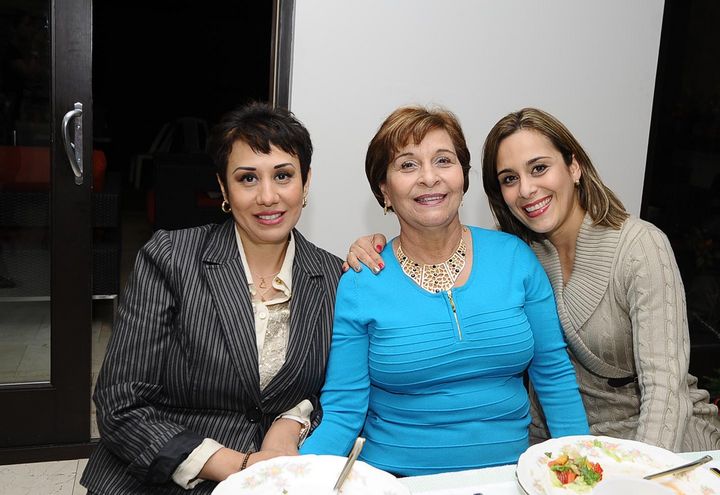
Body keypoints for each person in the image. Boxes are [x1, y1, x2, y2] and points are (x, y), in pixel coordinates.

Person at [348, 107, 720, 452]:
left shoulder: (639, 247)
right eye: (510, 178)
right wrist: (374, 247)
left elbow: (665, 389)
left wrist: (640, 477)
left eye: (539, 168)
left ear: (574, 166)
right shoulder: (520, 253)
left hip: (657, 443)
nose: (526, 189)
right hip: (562, 443)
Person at [300, 106, 589, 477]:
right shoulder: (362, 279)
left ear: (462, 178)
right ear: (384, 190)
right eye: (408, 165)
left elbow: (554, 376)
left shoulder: (516, 258)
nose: (429, 177)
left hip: (507, 479)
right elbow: (343, 409)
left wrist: (580, 474)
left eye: (443, 160)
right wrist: (295, 478)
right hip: (395, 482)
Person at [81, 103, 343, 494]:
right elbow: (121, 402)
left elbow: (339, 391)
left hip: (275, 479)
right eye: (248, 178)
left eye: (283, 175)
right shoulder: (171, 257)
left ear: (305, 183)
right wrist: (239, 465)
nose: (267, 196)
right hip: (159, 478)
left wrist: (292, 421)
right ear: (223, 188)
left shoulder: (334, 277)